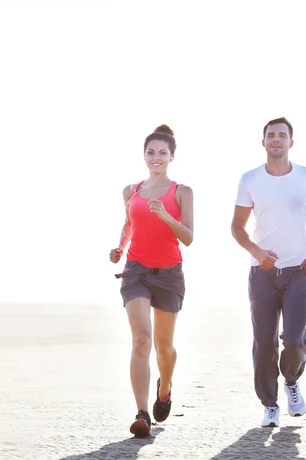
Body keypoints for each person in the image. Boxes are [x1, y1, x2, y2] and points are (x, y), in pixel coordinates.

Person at [231, 117, 306, 428]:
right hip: (262, 273)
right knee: (264, 343)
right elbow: (236, 226)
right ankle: (270, 404)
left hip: (299, 270)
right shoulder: (250, 180)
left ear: (291, 141)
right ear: (263, 143)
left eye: (282, 135)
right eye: (270, 135)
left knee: (293, 338)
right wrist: (257, 252)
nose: (276, 139)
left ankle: (291, 380)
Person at [109, 124, 194, 437]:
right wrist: (120, 247)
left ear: (172, 156)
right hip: (136, 271)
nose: (156, 157)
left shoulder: (181, 192)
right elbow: (129, 223)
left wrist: (166, 217)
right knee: (142, 337)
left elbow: (188, 237)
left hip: (169, 275)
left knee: (164, 348)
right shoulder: (131, 191)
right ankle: (142, 413)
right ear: (144, 155)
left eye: (162, 153)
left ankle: (165, 388)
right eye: (150, 152)